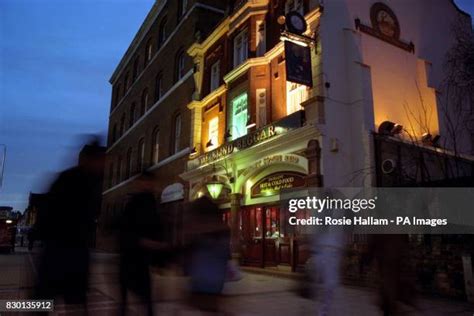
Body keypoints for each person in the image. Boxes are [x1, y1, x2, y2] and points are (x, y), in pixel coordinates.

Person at [35, 138, 104, 310]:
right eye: (99, 160)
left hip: (70, 253)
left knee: (66, 301)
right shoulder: (76, 180)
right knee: (52, 301)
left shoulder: (84, 180)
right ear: (89, 159)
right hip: (63, 252)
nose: (101, 165)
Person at [119, 172, 166, 316]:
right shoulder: (138, 202)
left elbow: (155, 228)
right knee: (136, 296)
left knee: (142, 298)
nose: (150, 185)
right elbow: (126, 228)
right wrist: (145, 242)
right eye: (146, 182)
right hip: (132, 256)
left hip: (138, 258)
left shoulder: (148, 201)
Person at [185, 196, 231, 314]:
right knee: (210, 308)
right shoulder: (222, 229)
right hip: (215, 279)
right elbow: (226, 254)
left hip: (202, 279)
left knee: (207, 308)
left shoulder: (199, 230)